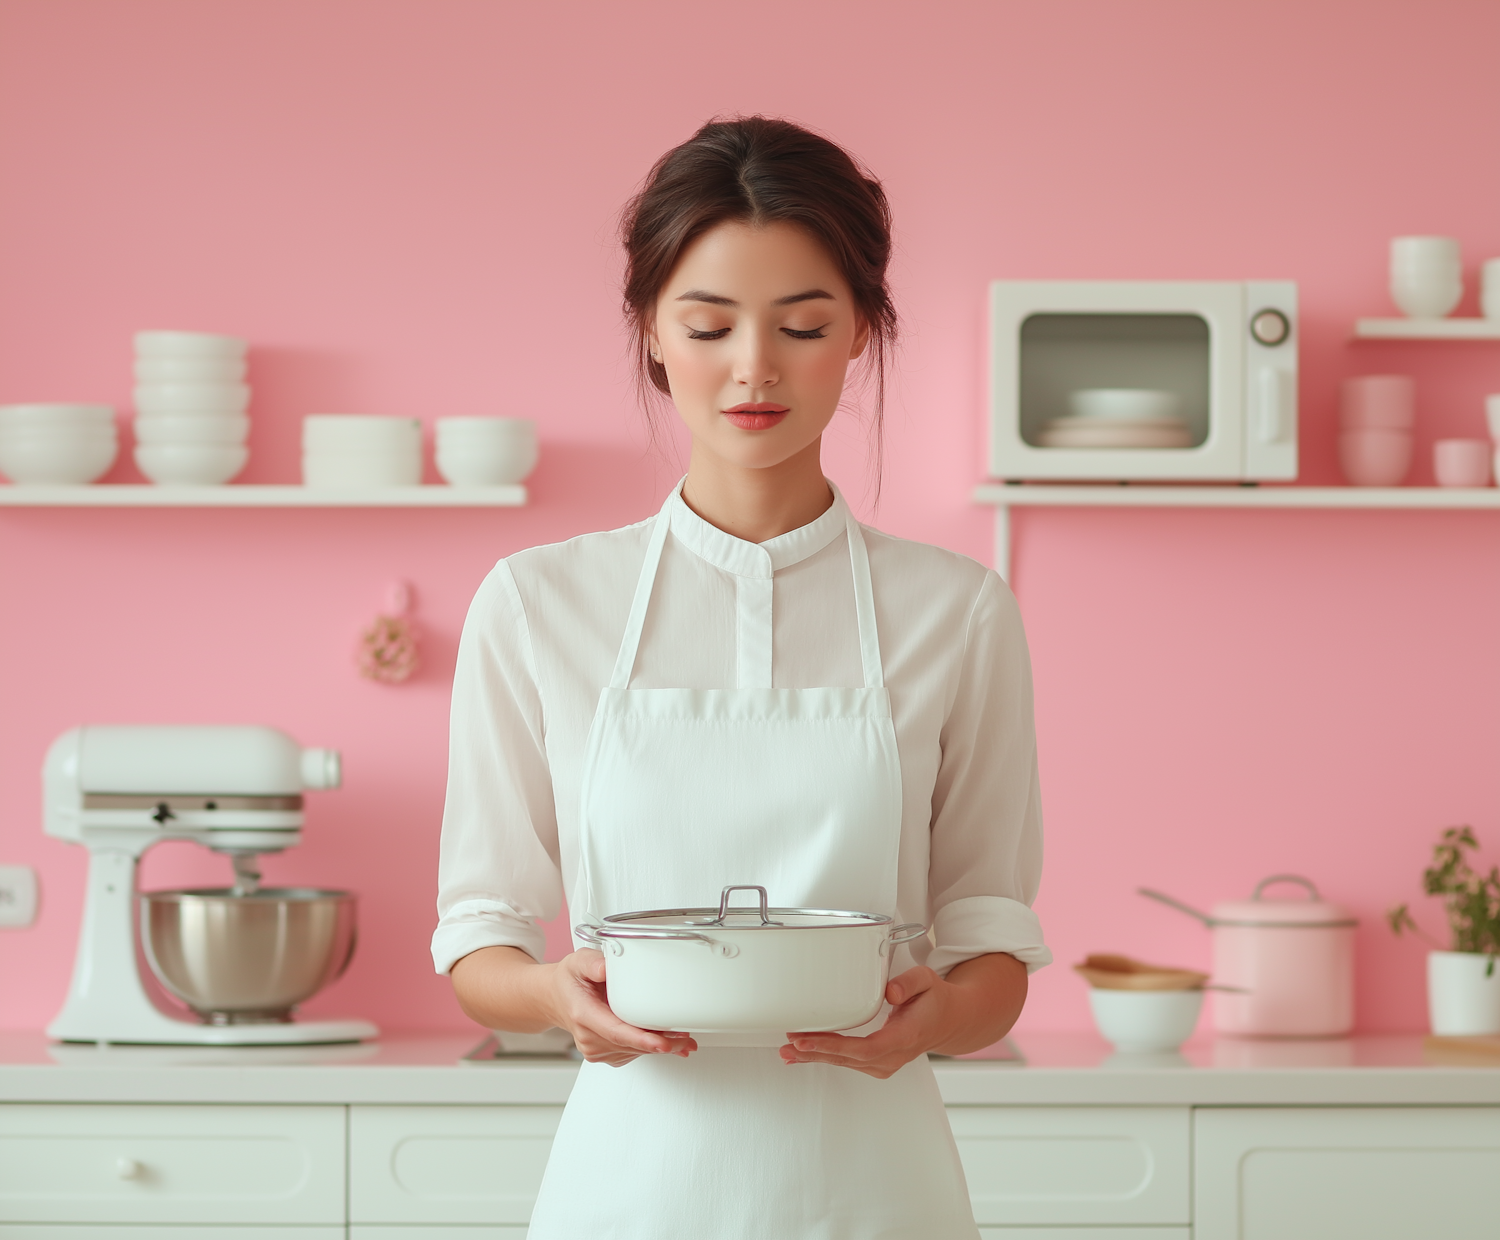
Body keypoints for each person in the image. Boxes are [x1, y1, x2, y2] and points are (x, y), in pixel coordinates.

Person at [433, 115, 1050, 1240]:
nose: (755, 367)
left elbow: (992, 943)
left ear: (861, 329)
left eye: (803, 324)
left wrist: (939, 1013)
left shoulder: (959, 612)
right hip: (628, 1185)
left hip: (877, 1184)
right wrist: (550, 997)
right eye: (709, 324)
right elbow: (480, 931)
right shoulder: (537, 604)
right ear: (652, 333)